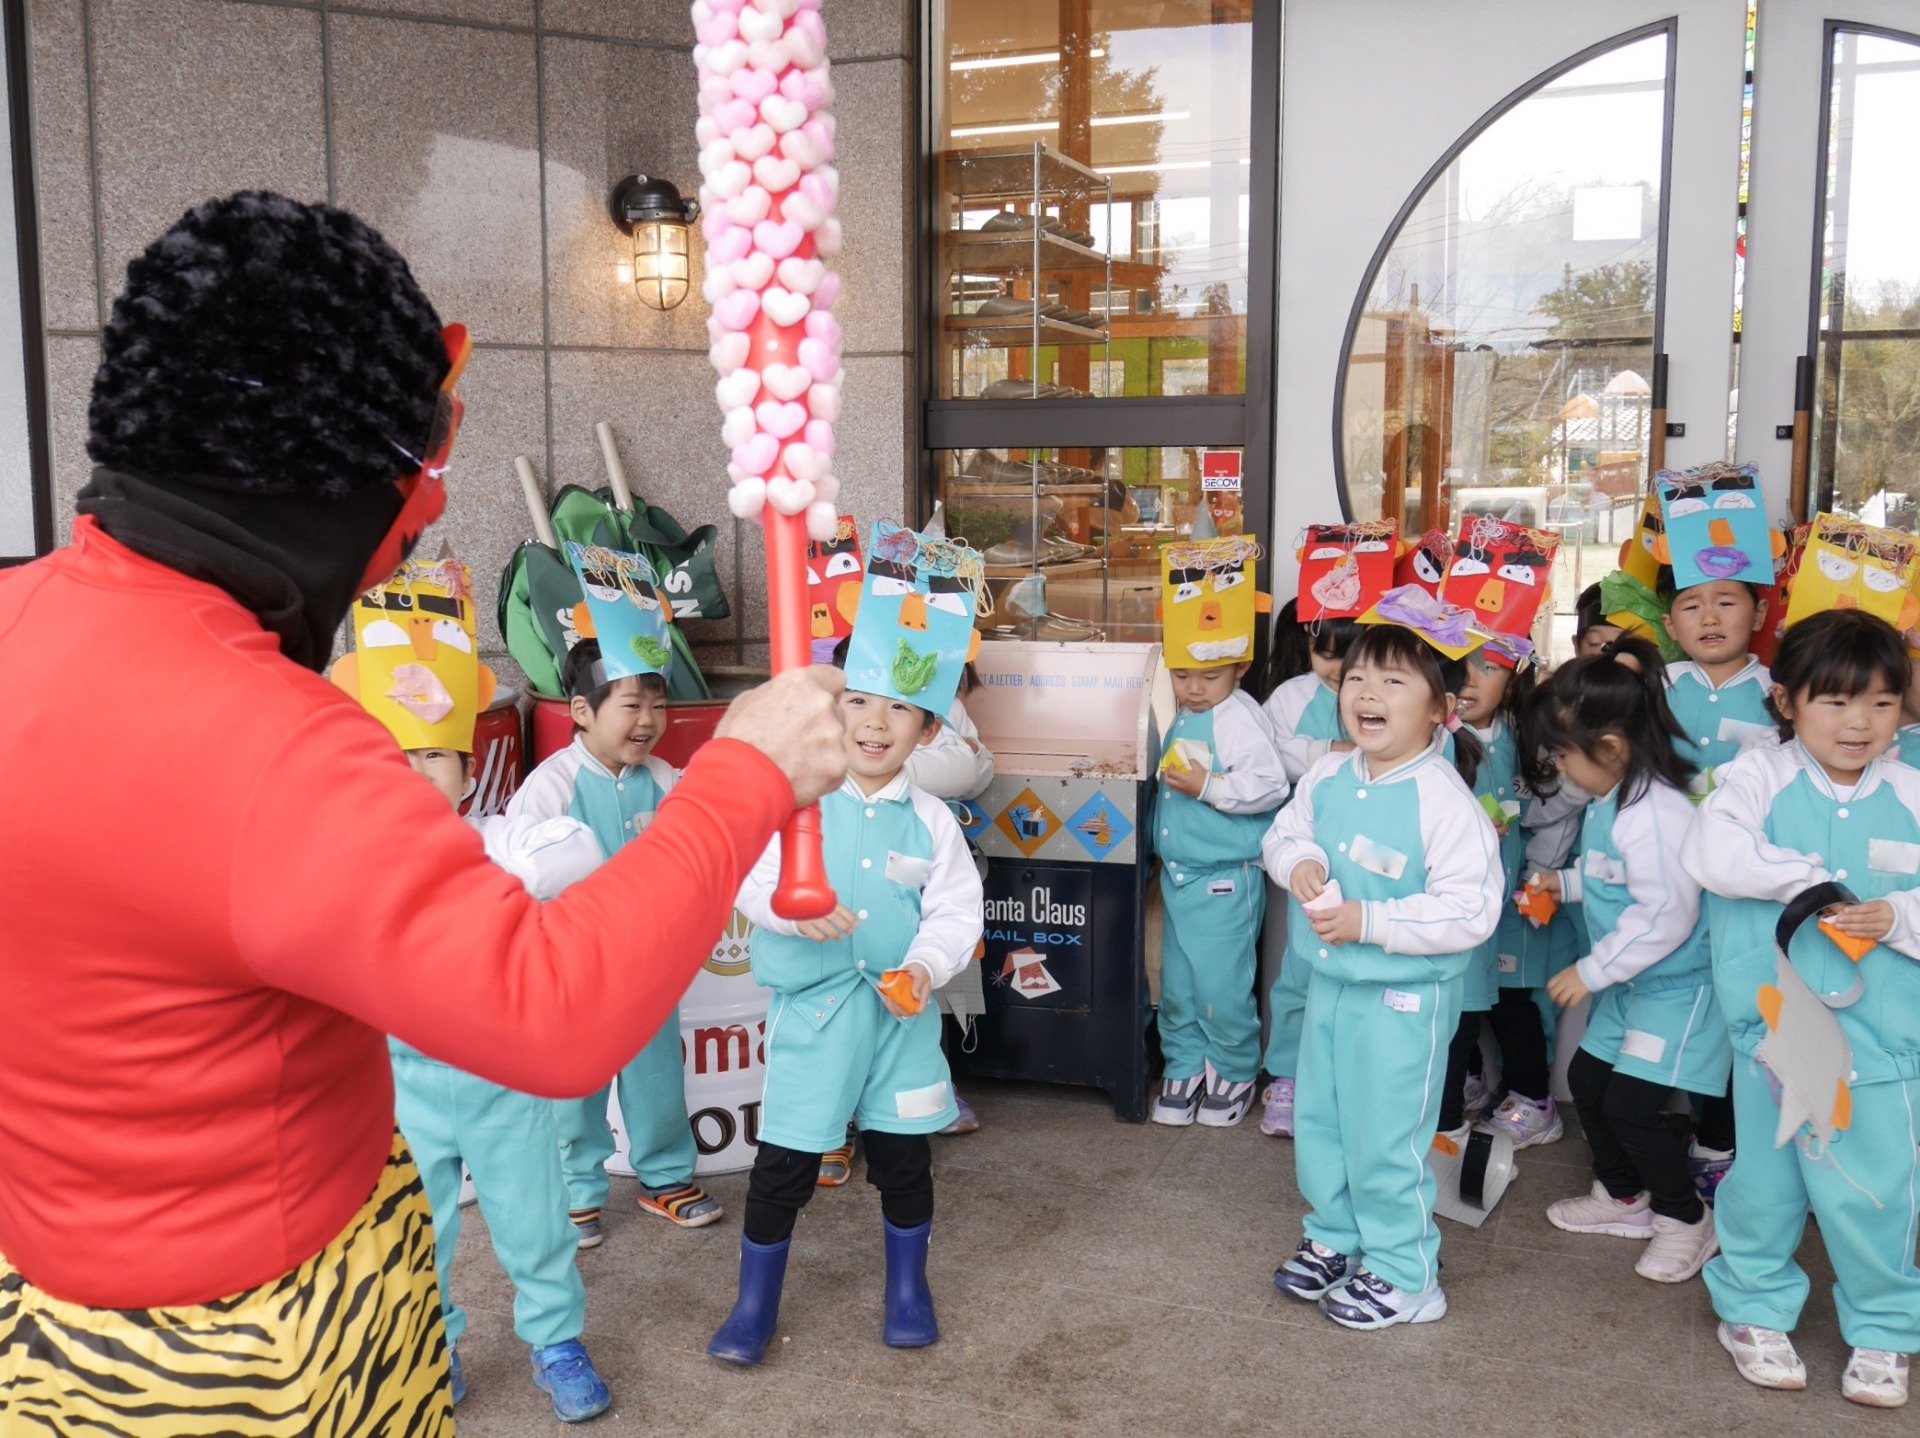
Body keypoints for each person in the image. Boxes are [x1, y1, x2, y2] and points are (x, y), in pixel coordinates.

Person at [0, 192, 846, 1435]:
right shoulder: (270, 747)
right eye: (426, 458)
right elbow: (551, 1011)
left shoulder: (19, 621)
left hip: (46, 1307)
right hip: (258, 1350)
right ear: (329, 477)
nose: (433, 508)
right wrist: (747, 772)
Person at [331, 554, 613, 1420]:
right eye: (397, 755)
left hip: (503, 1081)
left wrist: (481, 877)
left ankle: (556, 1341)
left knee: (535, 1223)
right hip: (400, 1087)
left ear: (465, 765)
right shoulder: (350, 865)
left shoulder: (499, 839)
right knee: (418, 1229)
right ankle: (435, 1342)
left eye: (435, 755)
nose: (418, 772)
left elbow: (579, 851)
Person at [708, 520, 986, 1366]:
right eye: (858, 700)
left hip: (901, 1024)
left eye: (900, 707)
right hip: (816, 1019)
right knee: (784, 1165)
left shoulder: (933, 821)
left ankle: (908, 1288)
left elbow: (956, 912)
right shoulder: (795, 801)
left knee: (904, 1163)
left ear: (928, 729)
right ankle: (754, 1305)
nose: (874, 723)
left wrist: (926, 966)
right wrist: (788, 912)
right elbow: (748, 877)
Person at [1685, 609, 1920, 1408]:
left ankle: (1886, 1327)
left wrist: (1899, 917)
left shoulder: (1911, 792)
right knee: (1767, 1183)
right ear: (1786, 702)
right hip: (1776, 1032)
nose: (1860, 723)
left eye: (1882, 703)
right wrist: (1809, 880)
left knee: (1876, 1188)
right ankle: (1752, 1307)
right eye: (1836, 701)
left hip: (1882, 1041)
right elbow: (1713, 851)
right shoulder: (1758, 776)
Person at [1265, 609, 1504, 1329]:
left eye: (1394, 681)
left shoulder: (1444, 801)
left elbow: (1470, 911)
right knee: (1324, 1123)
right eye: (1357, 677)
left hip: (1404, 1002)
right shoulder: (1330, 773)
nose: (1367, 692)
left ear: (1441, 709)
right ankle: (1336, 1238)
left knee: (1385, 1137)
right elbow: (1285, 833)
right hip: (1330, 987)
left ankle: (1406, 1274)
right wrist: (1299, 862)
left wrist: (1371, 921)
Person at [509, 623, 722, 1243]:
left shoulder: (665, 778)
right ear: (582, 711)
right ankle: (575, 1192)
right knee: (574, 1087)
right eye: (632, 705)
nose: (649, 720)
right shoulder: (551, 785)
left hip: (647, 966)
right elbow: (518, 872)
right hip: (573, 969)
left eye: (658, 705)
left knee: (657, 1077)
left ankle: (666, 1178)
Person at [1527, 639, 1728, 1285]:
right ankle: (1622, 1196)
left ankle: (1686, 1218)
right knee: (1589, 1083)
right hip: (1631, 983)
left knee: (1632, 1107)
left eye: (1563, 755)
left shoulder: (1656, 813)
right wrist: (1566, 884)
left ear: (1610, 748)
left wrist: (1590, 972)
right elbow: (1615, 877)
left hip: (1674, 990)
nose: (1559, 768)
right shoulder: (1613, 799)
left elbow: (1665, 913)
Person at [1153, 534, 1290, 1127]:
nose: (1194, 688)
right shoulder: (1190, 712)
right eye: (1182, 674)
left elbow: (1271, 784)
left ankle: (1233, 1069)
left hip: (1223, 880)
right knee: (1180, 983)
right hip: (1181, 876)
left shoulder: (1237, 716)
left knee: (1223, 985)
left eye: (1209, 675)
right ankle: (1184, 1063)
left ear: (1240, 665)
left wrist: (1209, 787)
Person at [1256, 610, 1360, 1137]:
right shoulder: (1292, 696)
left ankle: (1344, 1087)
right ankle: (1289, 1078)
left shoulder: (1377, 694)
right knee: (1299, 970)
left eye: (1350, 657)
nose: (1337, 669)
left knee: (1356, 980)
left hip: (1365, 863)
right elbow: (1267, 754)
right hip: (1310, 855)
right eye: (1325, 655)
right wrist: (1327, 751)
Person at [1435, 643, 1535, 1144]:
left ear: (1513, 680)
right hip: (1457, 908)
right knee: (1457, 1021)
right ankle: (1444, 1130)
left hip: (1508, 907)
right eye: (1461, 667)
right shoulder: (1439, 742)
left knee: (1498, 1009)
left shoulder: (1520, 739)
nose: (1470, 680)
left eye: (1488, 668)